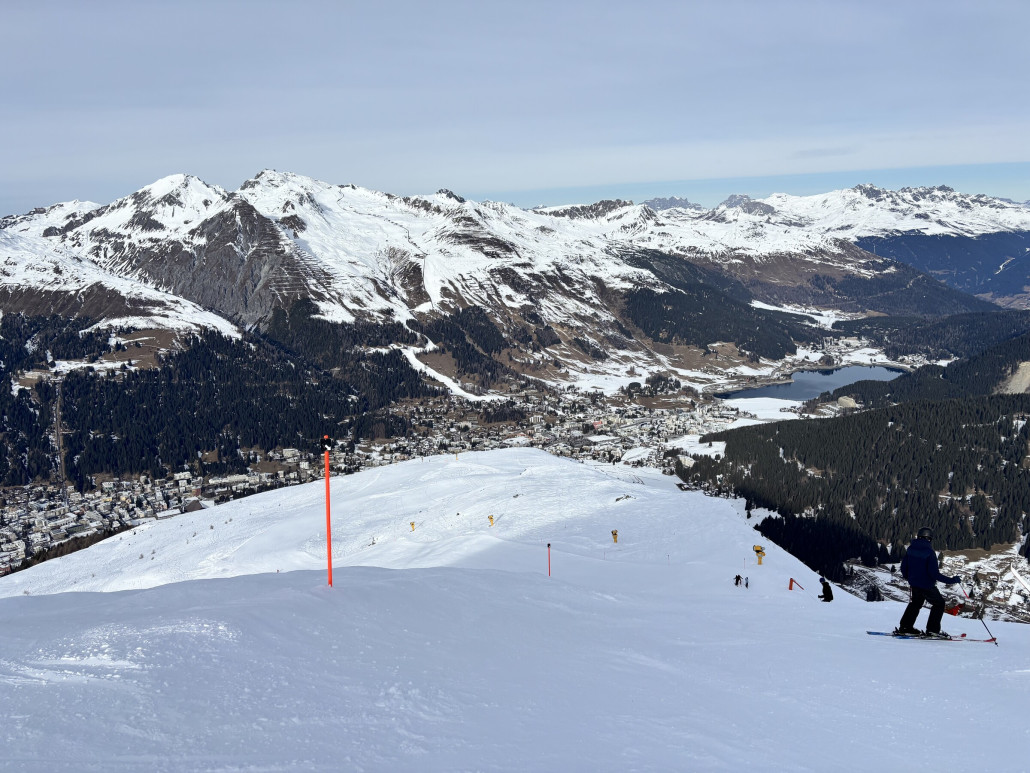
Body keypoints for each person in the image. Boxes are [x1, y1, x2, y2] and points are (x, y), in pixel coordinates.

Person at [896, 527, 961, 638]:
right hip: (927, 585)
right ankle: (932, 630)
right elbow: (934, 574)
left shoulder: (910, 550)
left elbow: (904, 567)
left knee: (915, 604)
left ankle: (905, 627)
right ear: (929, 539)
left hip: (914, 583)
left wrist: (909, 578)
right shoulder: (929, 553)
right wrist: (952, 580)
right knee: (939, 604)